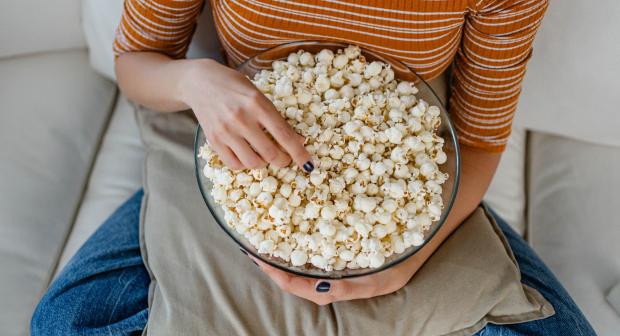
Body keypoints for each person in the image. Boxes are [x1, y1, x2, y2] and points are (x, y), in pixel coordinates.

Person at [31, 0, 596, 335]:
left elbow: (477, 141)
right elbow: (136, 61)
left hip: (399, 179)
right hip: (237, 164)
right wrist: (195, 80)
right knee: (64, 324)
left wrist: (406, 260)